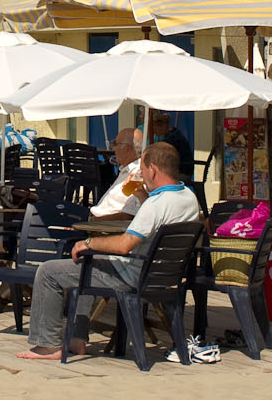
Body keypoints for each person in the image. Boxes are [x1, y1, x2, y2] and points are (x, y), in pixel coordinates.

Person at [15, 143, 203, 360]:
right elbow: (158, 222)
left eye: (142, 170)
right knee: (89, 264)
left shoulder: (156, 205)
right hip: (161, 276)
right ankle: (77, 338)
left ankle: (47, 345)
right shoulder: (189, 198)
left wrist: (89, 243)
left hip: (130, 276)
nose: (141, 175)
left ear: (153, 169)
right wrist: (143, 198)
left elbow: (125, 244)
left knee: (49, 272)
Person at [89, 127, 146, 218]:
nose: (113, 148)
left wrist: (92, 221)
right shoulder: (126, 170)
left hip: (102, 226)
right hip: (95, 218)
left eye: (115, 144)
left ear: (127, 149)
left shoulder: (138, 173)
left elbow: (129, 215)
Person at [147, 110, 194, 181]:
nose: (154, 131)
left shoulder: (172, 139)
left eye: (155, 128)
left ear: (163, 126)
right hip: (183, 170)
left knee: (154, 177)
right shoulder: (174, 133)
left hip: (182, 172)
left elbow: (161, 157)